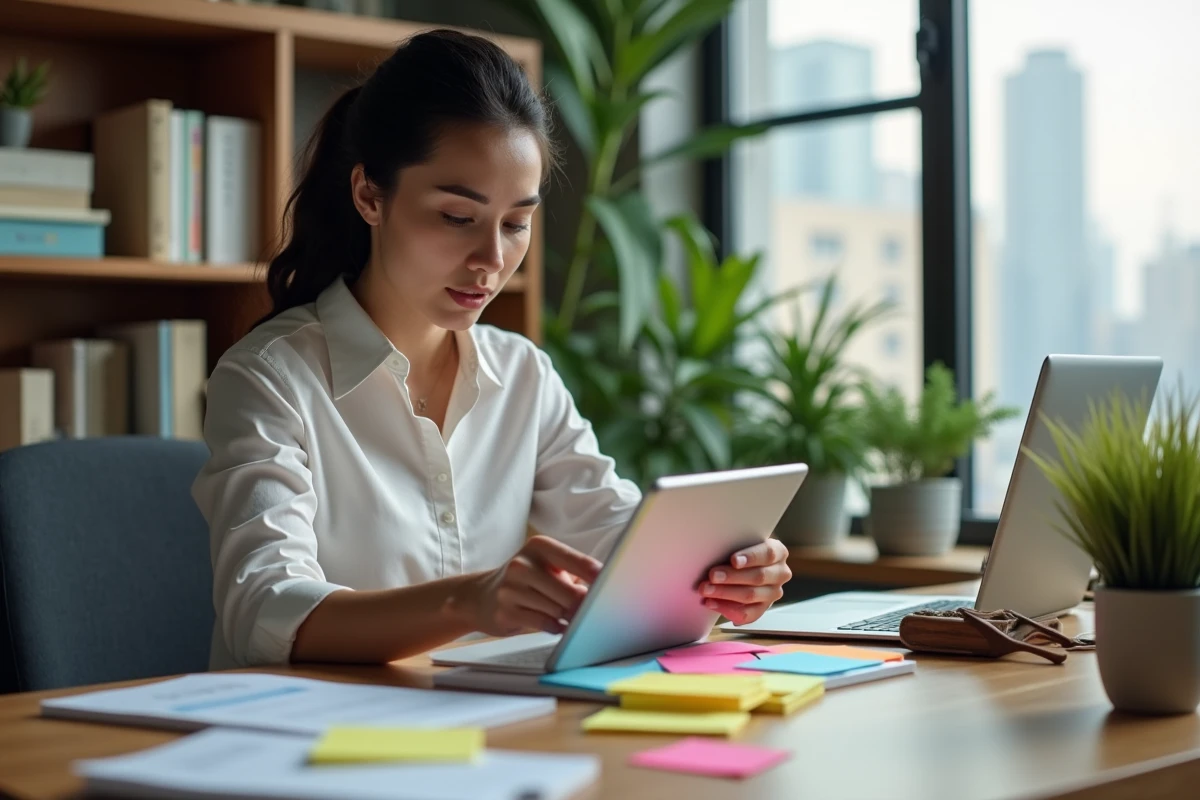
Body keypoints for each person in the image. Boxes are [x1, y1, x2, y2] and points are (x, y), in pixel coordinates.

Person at [191, 29, 792, 670]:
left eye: (516, 223)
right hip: (301, 741)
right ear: (370, 194)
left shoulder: (521, 373)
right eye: (457, 217)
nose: (492, 260)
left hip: (479, 733)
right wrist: (469, 602)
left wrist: (719, 573)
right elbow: (265, 610)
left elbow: (621, 540)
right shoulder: (269, 376)